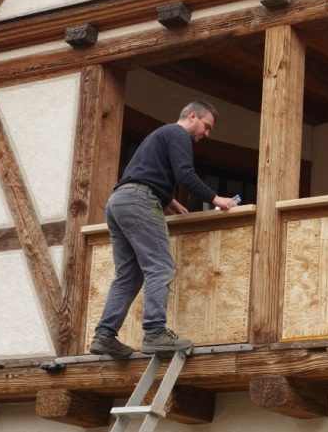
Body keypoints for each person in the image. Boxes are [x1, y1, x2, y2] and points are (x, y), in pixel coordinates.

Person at [89, 101, 240, 357]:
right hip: (138, 201)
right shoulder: (178, 133)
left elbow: (143, 174)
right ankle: (155, 332)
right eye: (206, 126)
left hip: (118, 202)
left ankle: (104, 335)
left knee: (128, 275)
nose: (207, 134)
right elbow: (185, 175)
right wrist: (217, 199)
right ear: (192, 116)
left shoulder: (158, 136)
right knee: (160, 267)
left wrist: (171, 203)